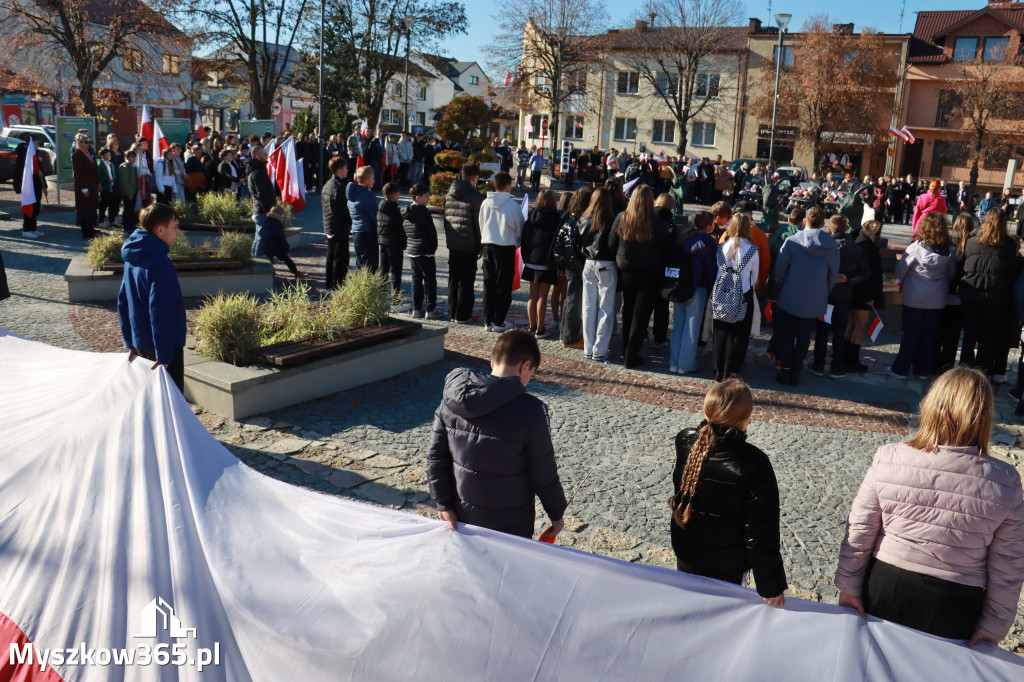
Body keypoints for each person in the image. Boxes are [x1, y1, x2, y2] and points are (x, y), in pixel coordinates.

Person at [835, 367, 1024, 644]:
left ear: (931, 405)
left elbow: (860, 530)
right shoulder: (1005, 481)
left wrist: (849, 586)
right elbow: (1009, 563)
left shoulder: (889, 458)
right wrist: (994, 625)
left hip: (885, 585)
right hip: (955, 603)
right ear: (984, 417)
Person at [426, 329, 568, 538]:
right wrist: (556, 514)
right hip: (512, 523)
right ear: (525, 366)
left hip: (462, 518)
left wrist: (443, 504)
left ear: (492, 362)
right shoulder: (531, 410)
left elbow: (436, 457)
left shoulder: (451, 399)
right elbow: (543, 472)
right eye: (531, 373)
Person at [670, 378, 787, 607]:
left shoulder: (686, 441)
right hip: (727, 566)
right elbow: (761, 531)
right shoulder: (753, 462)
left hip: (687, 553)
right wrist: (770, 585)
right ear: (745, 418)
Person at [117, 203, 187, 392]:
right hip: (164, 347)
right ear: (160, 230)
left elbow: (123, 302)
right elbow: (160, 310)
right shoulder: (160, 262)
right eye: (175, 227)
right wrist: (163, 355)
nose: (178, 232)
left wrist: (130, 342)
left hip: (141, 341)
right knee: (170, 402)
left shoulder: (132, 258)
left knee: (149, 398)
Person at [884, 213, 957, 381]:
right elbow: (952, 274)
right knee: (929, 335)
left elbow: (900, 271)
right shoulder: (949, 250)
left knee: (910, 333)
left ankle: (901, 369)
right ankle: (922, 370)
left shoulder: (915, 247)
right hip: (937, 298)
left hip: (914, 297)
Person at [772, 206, 839, 386]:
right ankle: (796, 370)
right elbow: (833, 275)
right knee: (804, 336)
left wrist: (783, 285)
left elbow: (779, 269)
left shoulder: (792, 241)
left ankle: (786, 368)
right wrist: (824, 292)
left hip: (790, 293)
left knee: (786, 334)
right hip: (815, 296)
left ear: (804, 222)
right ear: (823, 224)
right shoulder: (832, 245)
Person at [608, 185, 671, 369]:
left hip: (626, 270)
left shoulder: (622, 218)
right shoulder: (657, 223)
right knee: (641, 315)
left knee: (628, 311)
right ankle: (631, 353)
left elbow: (612, 244)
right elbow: (664, 249)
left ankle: (626, 349)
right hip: (649, 273)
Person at [958, 208, 1020, 379]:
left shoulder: (971, 240)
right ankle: (981, 373)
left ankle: (964, 372)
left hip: (971, 293)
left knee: (969, 336)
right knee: (987, 337)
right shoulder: (1008, 245)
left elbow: (964, 265)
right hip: (995, 297)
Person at [808, 215, 867, 379]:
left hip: (825, 293)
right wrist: (848, 279)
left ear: (829, 229)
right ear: (847, 228)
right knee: (840, 332)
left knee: (822, 331)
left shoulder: (824, 245)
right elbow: (864, 272)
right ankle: (837, 366)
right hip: (844, 294)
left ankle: (818, 365)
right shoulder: (855, 247)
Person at [709, 214, 760, 381]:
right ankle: (732, 370)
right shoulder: (752, 250)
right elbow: (755, 277)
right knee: (738, 335)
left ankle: (718, 369)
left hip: (721, 292)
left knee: (720, 332)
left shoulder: (721, 247)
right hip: (743, 293)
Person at [670, 211, 717, 374]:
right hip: (698, 287)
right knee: (692, 326)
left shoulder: (684, 238)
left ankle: (674, 362)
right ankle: (685, 364)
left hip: (679, 285)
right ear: (709, 225)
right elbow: (712, 269)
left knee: (678, 326)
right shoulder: (708, 243)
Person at [479, 171, 525, 332]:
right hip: (506, 248)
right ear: (507, 185)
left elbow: (481, 224)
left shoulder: (485, 203)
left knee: (488, 285)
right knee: (504, 286)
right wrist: (517, 243)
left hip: (488, 247)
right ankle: (498, 321)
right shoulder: (512, 206)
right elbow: (520, 228)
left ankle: (487, 320)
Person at [579, 188, 617, 361]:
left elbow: (578, 242)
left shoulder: (584, 219)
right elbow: (612, 245)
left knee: (588, 307)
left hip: (588, 263)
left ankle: (589, 348)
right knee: (606, 309)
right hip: (605, 264)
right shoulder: (610, 221)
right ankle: (599, 350)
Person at [444, 163, 484, 323]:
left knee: (453, 279)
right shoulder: (475, 196)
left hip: (454, 243)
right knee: (466, 281)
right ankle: (463, 315)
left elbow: (447, 219)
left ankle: (452, 312)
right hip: (469, 245)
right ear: (474, 178)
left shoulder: (449, 193)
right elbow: (478, 223)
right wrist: (481, 245)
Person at [935, 214, 974, 373]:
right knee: (953, 336)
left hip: (943, 293)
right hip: (961, 296)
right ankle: (947, 366)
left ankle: (934, 363)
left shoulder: (947, 243)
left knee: (939, 332)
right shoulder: (973, 244)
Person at [554, 189, 591, 350]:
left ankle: (565, 335)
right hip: (575, 266)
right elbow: (573, 249)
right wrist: (580, 267)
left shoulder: (568, 217)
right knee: (574, 302)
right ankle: (570, 337)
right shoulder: (577, 221)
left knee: (570, 301)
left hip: (570, 265)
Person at [845, 219, 884, 372]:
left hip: (853, 289)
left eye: (878, 223)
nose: (875, 226)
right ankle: (852, 361)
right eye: (871, 222)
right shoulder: (867, 243)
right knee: (860, 326)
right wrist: (869, 295)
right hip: (862, 292)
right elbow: (867, 273)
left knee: (852, 324)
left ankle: (844, 357)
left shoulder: (858, 238)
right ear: (865, 223)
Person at [522, 189, 561, 337]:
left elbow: (524, 237)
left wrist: (526, 257)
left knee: (532, 295)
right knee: (542, 296)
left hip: (532, 259)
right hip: (547, 261)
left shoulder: (531, 217)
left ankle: (532, 327)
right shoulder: (556, 218)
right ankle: (540, 328)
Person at [403, 183, 440, 319]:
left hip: (413, 249)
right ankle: (430, 308)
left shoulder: (407, 212)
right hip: (425, 250)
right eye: (426, 196)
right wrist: (433, 247)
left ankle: (416, 308)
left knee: (416, 280)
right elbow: (431, 232)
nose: (428, 198)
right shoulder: (423, 212)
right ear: (417, 198)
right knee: (430, 280)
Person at [377, 182, 408, 311]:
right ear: (394, 194)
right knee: (396, 272)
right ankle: (395, 301)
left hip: (382, 241)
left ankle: (381, 300)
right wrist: (404, 243)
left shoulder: (380, 207)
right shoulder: (395, 210)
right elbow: (401, 229)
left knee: (383, 271)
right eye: (398, 194)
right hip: (394, 244)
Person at [322, 157, 352, 288]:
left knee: (331, 256)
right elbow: (345, 209)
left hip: (330, 226)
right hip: (339, 227)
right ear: (340, 170)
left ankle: (329, 284)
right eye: (346, 168)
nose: (347, 170)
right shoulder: (340, 187)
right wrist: (352, 220)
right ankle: (337, 286)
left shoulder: (328, 184)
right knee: (340, 259)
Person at [343, 165, 378, 272]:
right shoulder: (367, 194)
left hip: (356, 231)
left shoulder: (353, 193)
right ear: (367, 180)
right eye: (372, 178)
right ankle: (368, 287)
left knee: (361, 262)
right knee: (370, 263)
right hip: (368, 231)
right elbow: (374, 214)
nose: (374, 181)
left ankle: (360, 286)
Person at [256, 206, 306, 280]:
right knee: (287, 258)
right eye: (283, 215)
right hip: (274, 247)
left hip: (264, 246)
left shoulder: (266, 221)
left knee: (269, 257)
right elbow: (282, 239)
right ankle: (296, 273)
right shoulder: (278, 224)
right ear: (279, 215)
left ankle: (270, 271)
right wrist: (287, 251)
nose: (284, 217)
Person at [13, 139, 48, 239]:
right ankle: (26, 229)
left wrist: (44, 186)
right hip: (29, 186)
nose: (38, 145)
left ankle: (33, 228)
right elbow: (20, 173)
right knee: (30, 207)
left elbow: (40, 170)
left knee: (36, 208)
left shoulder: (34, 154)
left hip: (36, 186)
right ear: (30, 144)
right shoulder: (25, 156)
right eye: (36, 143)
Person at [245, 145, 276, 255]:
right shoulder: (258, 173)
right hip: (263, 212)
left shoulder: (255, 171)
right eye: (264, 154)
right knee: (262, 240)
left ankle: (254, 259)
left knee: (258, 238)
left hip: (260, 211)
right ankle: (258, 264)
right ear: (257, 156)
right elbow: (261, 194)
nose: (267, 156)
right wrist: (268, 211)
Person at [72, 133, 100, 240]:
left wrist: (97, 183)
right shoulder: (77, 154)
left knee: (91, 208)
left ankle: (90, 228)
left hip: (91, 184)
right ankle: (86, 232)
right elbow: (79, 173)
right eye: (86, 142)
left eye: (89, 141)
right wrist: (84, 188)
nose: (88, 144)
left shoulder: (86, 152)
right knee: (85, 209)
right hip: (84, 186)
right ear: (79, 143)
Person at [118, 150, 139, 235]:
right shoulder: (125, 167)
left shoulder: (132, 166)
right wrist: (129, 193)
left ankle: (131, 226)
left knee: (131, 210)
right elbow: (124, 182)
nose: (133, 159)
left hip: (133, 192)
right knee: (127, 211)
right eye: (131, 157)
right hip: (128, 193)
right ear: (127, 158)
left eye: (134, 157)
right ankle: (126, 227)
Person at [96, 148, 118, 229]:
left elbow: (114, 174)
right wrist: (107, 180)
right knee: (103, 206)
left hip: (112, 188)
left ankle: (111, 221)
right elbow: (99, 176)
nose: (109, 156)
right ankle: (101, 221)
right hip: (105, 188)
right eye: (107, 155)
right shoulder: (100, 165)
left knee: (112, 206)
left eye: (110, 154)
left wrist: (114, 179)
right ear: (102, 156)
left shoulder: (111, 164)